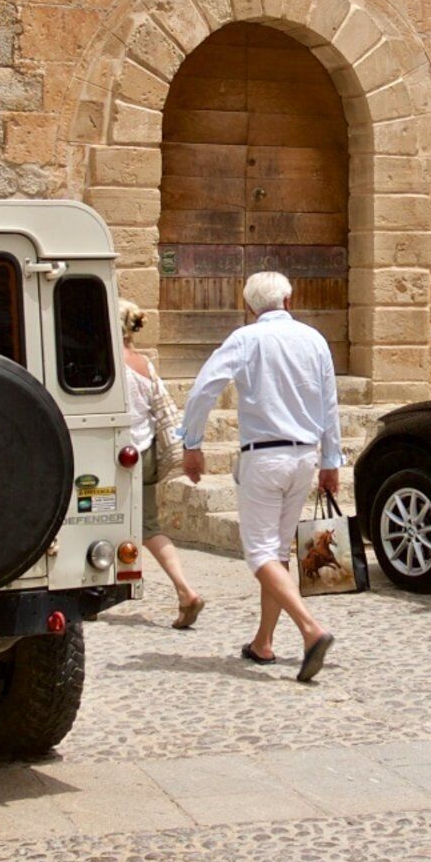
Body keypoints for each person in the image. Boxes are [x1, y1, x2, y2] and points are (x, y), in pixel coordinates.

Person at [178, 270, 342, 681]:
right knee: (278, 552)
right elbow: (329, 404)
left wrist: (192, 442)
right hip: (304, 457)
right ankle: (263, 642)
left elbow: (203, 389)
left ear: (249, 306)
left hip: (264, 458)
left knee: (260, 554)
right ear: (290, 300)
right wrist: (331, 460)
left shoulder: (245, 339)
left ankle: (310, 628)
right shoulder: (315, 340)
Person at [115, 301, 206, 630]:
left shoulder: (110, 365)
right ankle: (180, 589)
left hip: (119, 456)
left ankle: (185, 590)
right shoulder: (144, 364)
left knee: (127, 525)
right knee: (146, 525)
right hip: (148, 451)